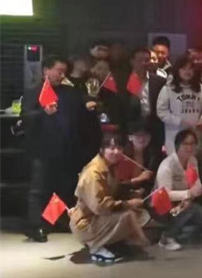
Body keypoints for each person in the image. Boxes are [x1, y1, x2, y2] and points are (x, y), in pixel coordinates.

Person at [22, 56, 94, 242]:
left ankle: (51, 221)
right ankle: (35, 226)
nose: (62, 75)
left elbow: (80, 112)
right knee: (39, 189)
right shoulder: (34, 91)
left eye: (64, 72)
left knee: (63, 188)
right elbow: (25, 118)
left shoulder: (69, 92)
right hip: (42, 149)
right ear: (46, 70)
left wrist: (89, 105)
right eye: (59, 71)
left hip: (65, 148)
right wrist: (43, 112)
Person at [69, 132, 150, 264]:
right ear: (102, 150)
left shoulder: (110, 166)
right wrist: (128, 203)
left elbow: (115, 189)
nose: (116, 152)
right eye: (111, 148)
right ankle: (96, 246)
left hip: (96, 217)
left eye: (119, 147)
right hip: (86, 223)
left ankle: (109, 242)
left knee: (140, 213)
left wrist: (132, 194)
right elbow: (99, 206)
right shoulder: (93, 173)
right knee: (128, 215)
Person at [153, 130, 202, 251]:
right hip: (162, 204)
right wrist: (188, 194)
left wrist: (197, 191)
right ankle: (166, 237)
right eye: (185, 144)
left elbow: (196, 183)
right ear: (177, 145)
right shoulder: (167, 166)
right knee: (187, 209)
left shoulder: (193, 161)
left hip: (185, 200)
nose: (189, 147)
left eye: (192, 144)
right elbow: (165, 194)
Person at [156, 56, 202, 154]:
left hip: (195, 133)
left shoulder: (200, 88)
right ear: (177, 70)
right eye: (184, 68)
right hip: (175, 134)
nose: (187, 71)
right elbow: (161, 111)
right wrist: (180, 122)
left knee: (193, 161)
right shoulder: (168, 88)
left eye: (190, 68)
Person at [114, 121, 163, 194]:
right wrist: (138, 179)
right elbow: (117, 185)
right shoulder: (122, 155)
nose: (142, 138)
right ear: (130, 137)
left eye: (145, 135)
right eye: (138, 135)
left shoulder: (155, 155)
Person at [88, 58, 126, 129]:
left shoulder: (113, 94)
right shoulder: (85, 90)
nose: (103, 72)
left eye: (106, 69)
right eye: (99, 68)